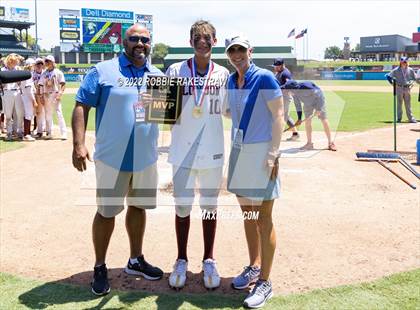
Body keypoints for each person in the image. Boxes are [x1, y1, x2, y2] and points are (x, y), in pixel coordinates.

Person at [71, 24, 163, 296]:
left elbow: (161, 115)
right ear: (124, 42)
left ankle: (136, 259)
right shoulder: (103, 71)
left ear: (149, 43)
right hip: (112, 157)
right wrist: (78, 144)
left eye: (145, 39)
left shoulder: (157, 75)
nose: (140, 43)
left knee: (139, 207)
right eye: (134, 38)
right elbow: (81, 104)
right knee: (106, 212)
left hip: (145, 157)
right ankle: (100, 266)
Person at [165, 20, 229, 290]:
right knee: (182, 206)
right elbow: (163, 112)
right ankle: (181, 259)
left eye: (207, 38)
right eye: (197, 38)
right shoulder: (175, 69)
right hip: (182, 151)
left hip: (213, 151)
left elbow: (229, 110)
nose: (202, 42)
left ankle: (209, 259)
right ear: (190, 41)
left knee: (210, 207)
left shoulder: (224, 74)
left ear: (214, 41)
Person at [225, 35, 284, 309]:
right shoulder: (230, 80)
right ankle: (253, 266)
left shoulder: (265, 79)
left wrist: (273, 153)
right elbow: (230, 112)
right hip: (239, 151)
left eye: (240, 50)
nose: (236, 54)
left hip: (262, 153)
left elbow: (279, 115)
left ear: (250, 51)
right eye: (231, 50)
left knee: (264, 218)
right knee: (248, 215)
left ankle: (266, 281)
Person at [281, 80, 337, 151]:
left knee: (324, 120)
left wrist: (319, 109)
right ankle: (309, 143)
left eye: (288, 89)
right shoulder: (294, 93)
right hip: (307, 104)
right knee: (308, 122)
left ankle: (330, 143)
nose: (286, 91)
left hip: (318, 102)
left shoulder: (306, 86)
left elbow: (320, 95)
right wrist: (299, 118)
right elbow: (298, 105)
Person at [271, 58, 302, 141]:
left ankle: (276, 136)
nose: (275, 67)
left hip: (285, 97)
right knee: (286, 116)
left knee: (281, 116)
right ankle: (295, 134)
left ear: (282, 65)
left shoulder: (286, 74)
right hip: (279, 97)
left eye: (277, 66)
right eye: (275, 66)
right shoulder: (279, 72)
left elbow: (289, 86)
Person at [38, 55, 67, 140]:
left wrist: (60, 94)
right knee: (48, 115)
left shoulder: (58, 72)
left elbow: (63, 84)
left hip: (55, 94)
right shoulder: (44, 73)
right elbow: (40, 85)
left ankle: (64, 133)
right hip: (46, 94)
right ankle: (49, 132)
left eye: (48, 61)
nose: (46, 63)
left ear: (53, 62)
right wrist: (41, 96)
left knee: (59, 113)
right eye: (46, 61)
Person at [386, 57, 418, 123]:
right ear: (400, 62)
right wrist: (392, 84)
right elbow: (388, 76)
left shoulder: (410, 70)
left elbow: (415, 78)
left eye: (405, 62)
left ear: (407, 62)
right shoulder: (396, 70)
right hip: (399, 88)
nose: (404, 63)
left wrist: (412, 84)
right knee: (399, 104)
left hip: (407, 88)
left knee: (408, 104)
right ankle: (399, 118)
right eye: (403, 62)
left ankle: (411, 118)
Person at [1, 53, 24, 141]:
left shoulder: (18, 69)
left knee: (19, 113)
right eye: (12, 61)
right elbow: (2, 84)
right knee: (8, 114)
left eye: (15, 61)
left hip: (17, 91)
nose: (14, 63)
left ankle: (19, 131)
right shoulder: (3, 70)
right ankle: (9, 132)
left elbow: (20, 83)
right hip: (7, 92)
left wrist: (19, 81)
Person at [19, 58, 37, 141]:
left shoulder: (24, 73)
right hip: (27, 97)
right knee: (28, 115)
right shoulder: (28, 74)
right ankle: (26, 134)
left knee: (26, 115)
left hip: (23, 96)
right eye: (33, 65)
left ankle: (26, 133)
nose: (34, 66)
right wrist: (34, 101)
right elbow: (29, 90)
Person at [32, 58, 46, 138]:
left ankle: (44, 130)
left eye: (41, 64)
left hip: (43, 94)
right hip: (34, 94)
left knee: (44, 112)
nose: (39, 65)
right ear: (35, 65)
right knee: (37, 113)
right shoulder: (32, 74)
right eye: (38, 64)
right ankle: (39, 129)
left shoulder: (45, 74)